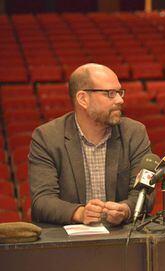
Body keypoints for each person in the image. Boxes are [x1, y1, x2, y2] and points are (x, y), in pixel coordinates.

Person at [29, 63, 151, 225]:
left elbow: (145, 193)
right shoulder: (47, 137)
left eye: (120, 92)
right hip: (69, 241)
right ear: (83, 99)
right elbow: (42, 201)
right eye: (110, 93)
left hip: (121, 238)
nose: (120, 100)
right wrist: (79, 213)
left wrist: (126, 209)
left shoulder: (134, 132)